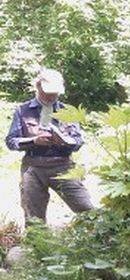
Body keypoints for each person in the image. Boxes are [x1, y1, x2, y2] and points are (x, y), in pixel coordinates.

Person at [7, 68, 95, 225]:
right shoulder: (23, 110)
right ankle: (37, 241)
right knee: (34, 219)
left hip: (64, 166)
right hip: (33, 168)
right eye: (48, 92)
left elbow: (78, 141)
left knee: (87, 210)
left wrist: (65, 141)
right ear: (38, 86)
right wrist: (34, 141)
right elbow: (11, 141)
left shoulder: (69, 112)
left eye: (55, 93)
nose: (51, 96)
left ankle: (99, 237)